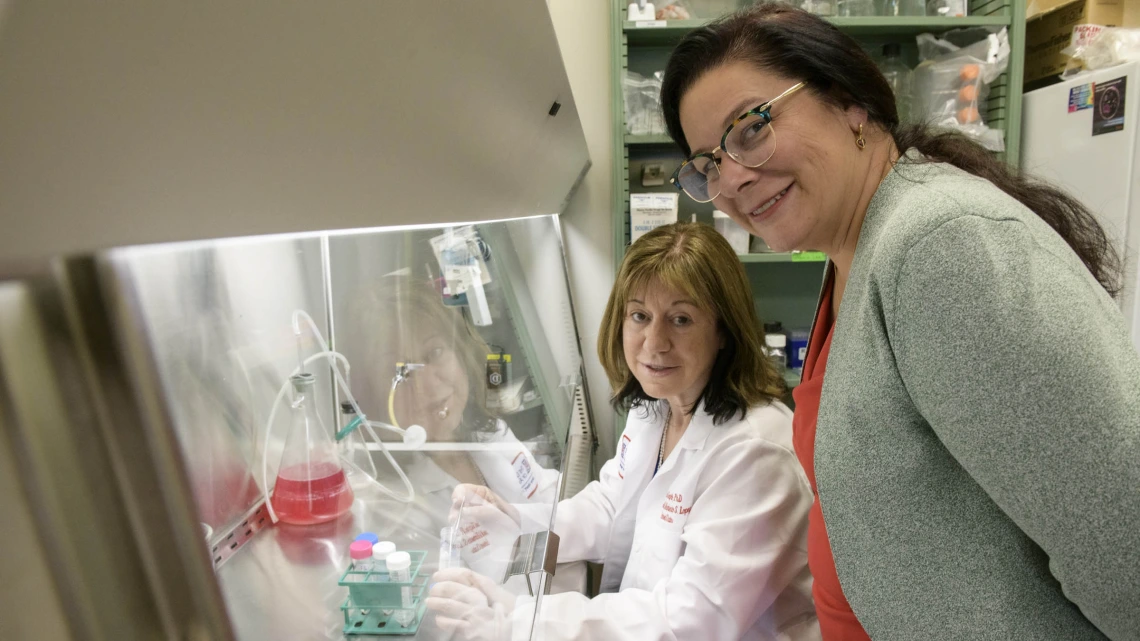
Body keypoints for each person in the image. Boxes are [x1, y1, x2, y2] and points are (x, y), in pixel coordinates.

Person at [659, 4, 1140, 640]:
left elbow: (1124, 553)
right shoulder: (855, 249)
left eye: (750, 128)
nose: (734, 179)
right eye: (709, 164)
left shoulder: (940, 247)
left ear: (849, 101)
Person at [425, 222, 820, 641]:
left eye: (681, 319)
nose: (654, 343)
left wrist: (517, 621)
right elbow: (610, 508)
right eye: (639, 316)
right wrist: (514, 527)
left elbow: (691, 620)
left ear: (724, 330)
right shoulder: (657, 407)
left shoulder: (756, 454)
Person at [344, 274, 559, 521]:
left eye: (434, 352)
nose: (429, 385)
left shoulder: (490, 433)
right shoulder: (392, 504)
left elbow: (547, 495)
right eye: (400, 372)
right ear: (369, 394)